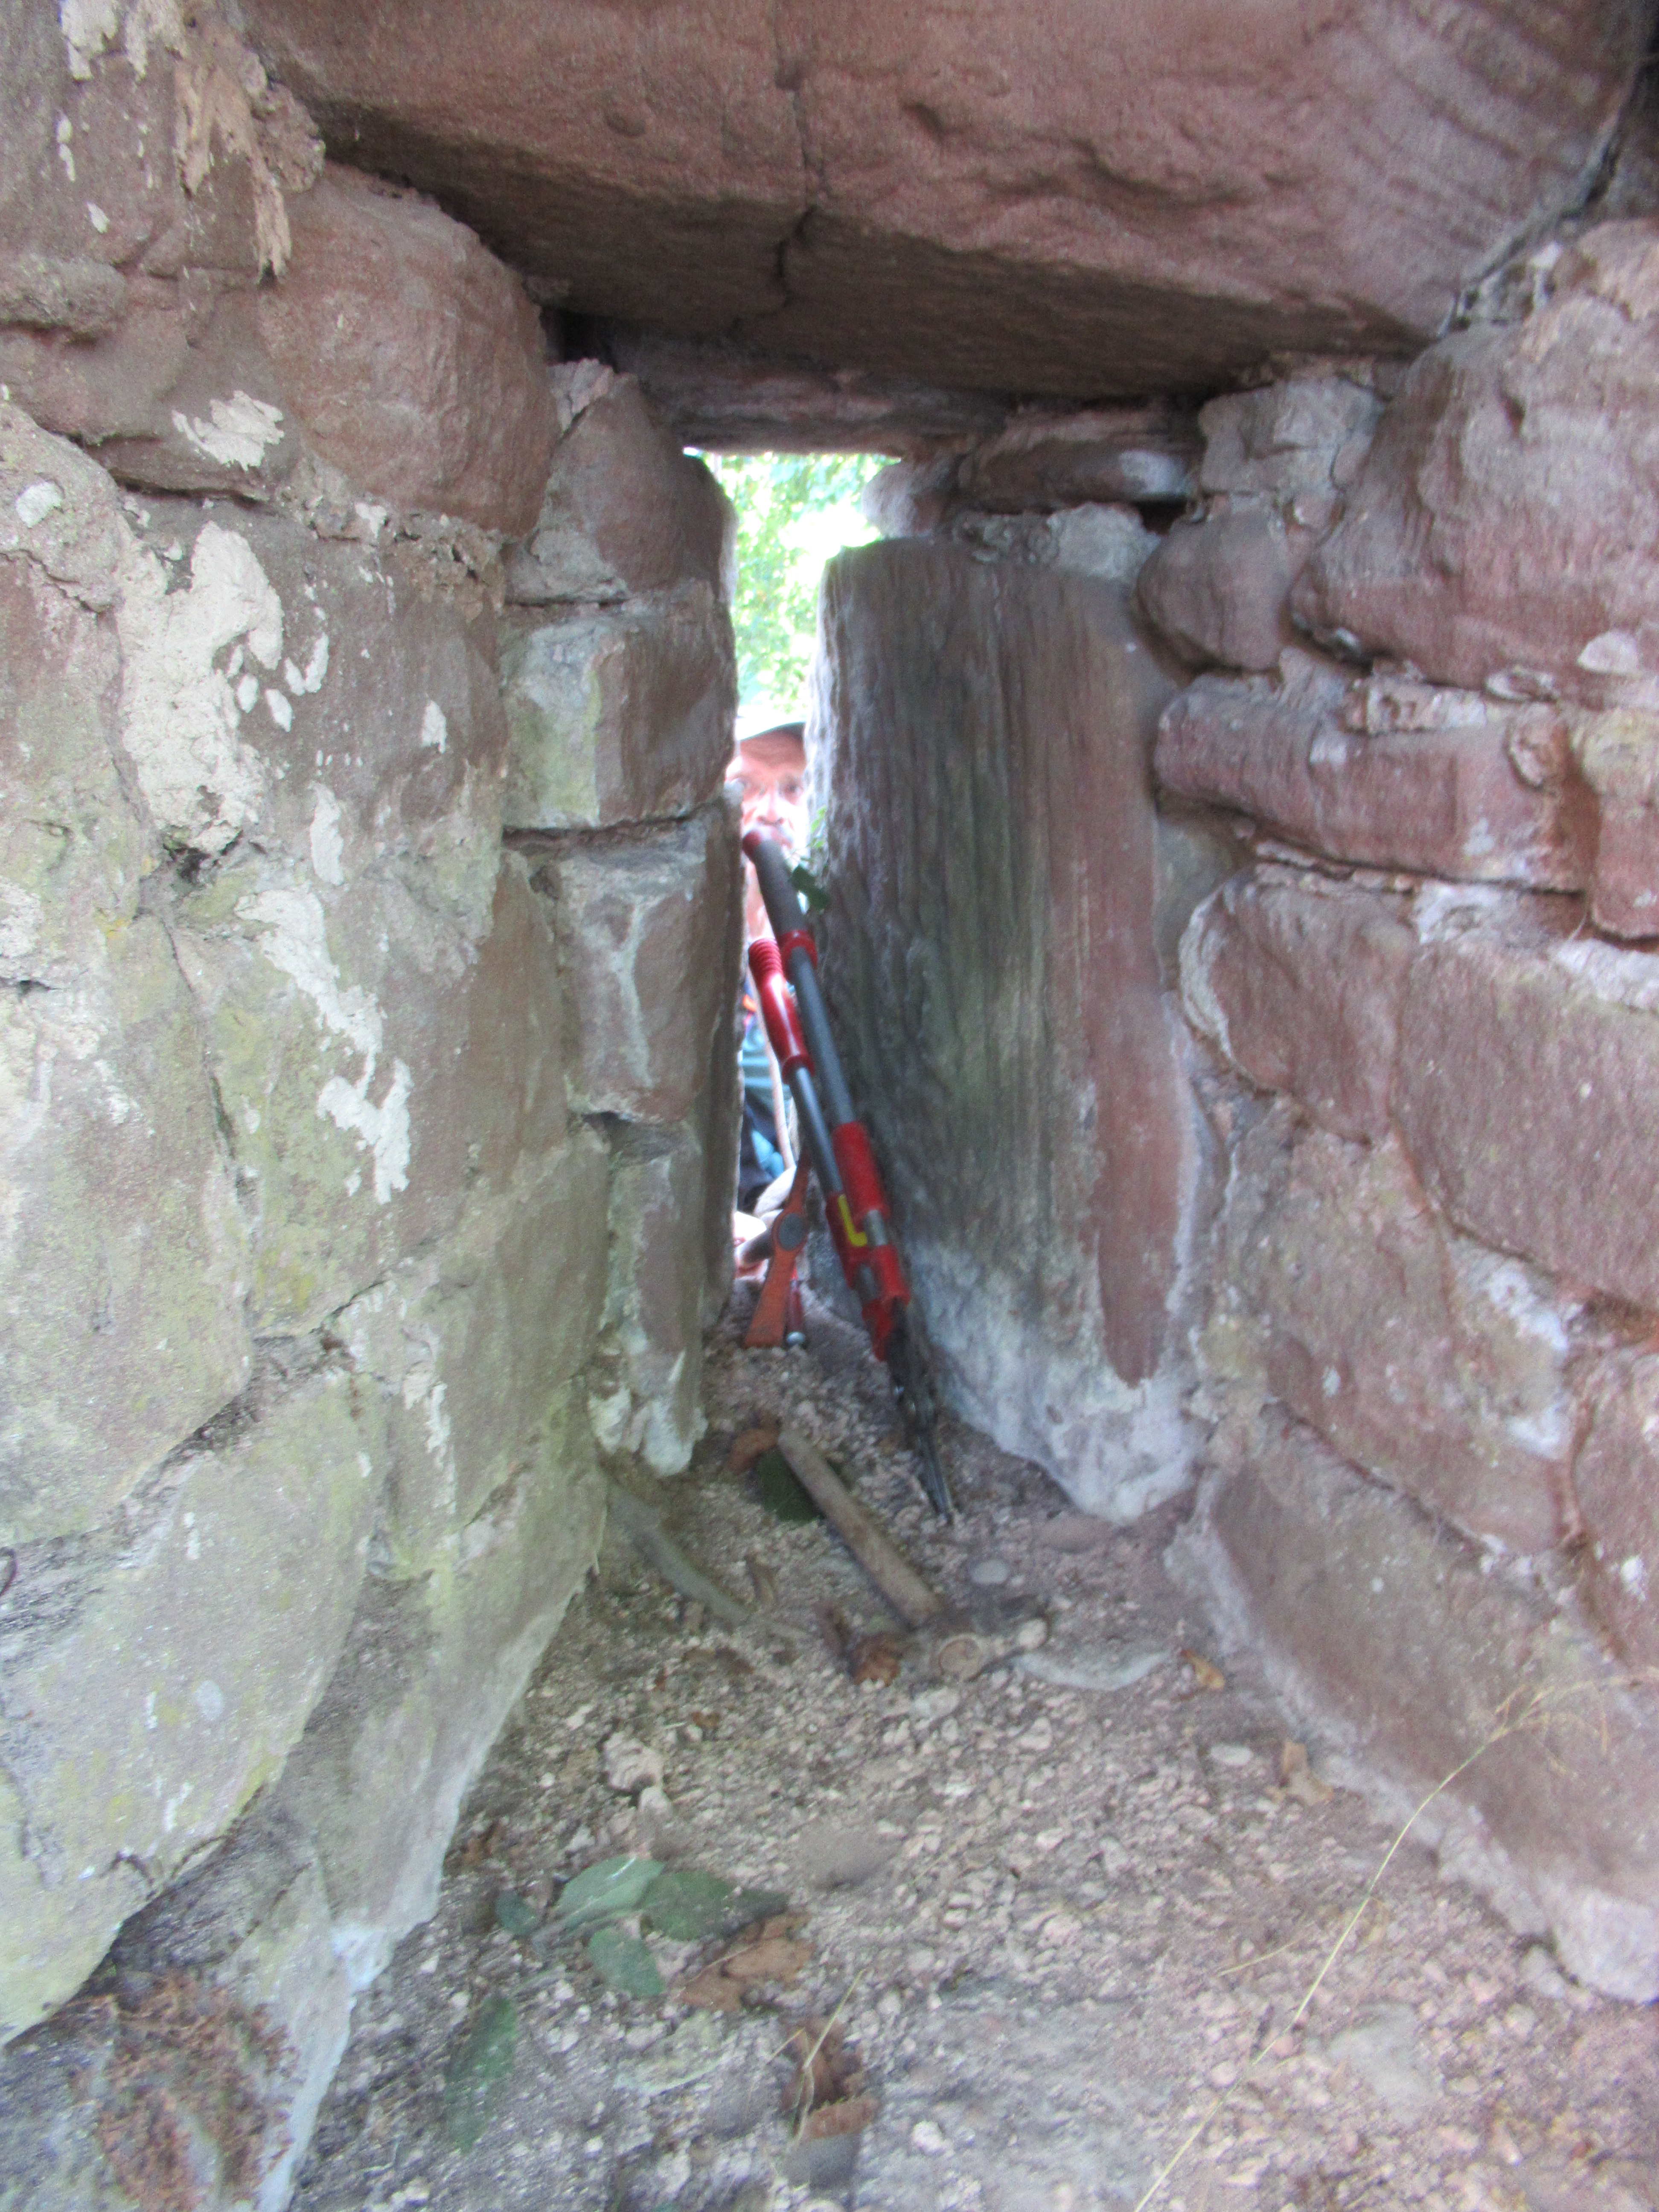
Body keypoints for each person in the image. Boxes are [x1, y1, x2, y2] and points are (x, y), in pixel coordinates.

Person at [728, 716, 810, 1234]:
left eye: (792, 788)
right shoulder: (695, 949)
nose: (771, 809)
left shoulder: (822, 935)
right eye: (746, 787)